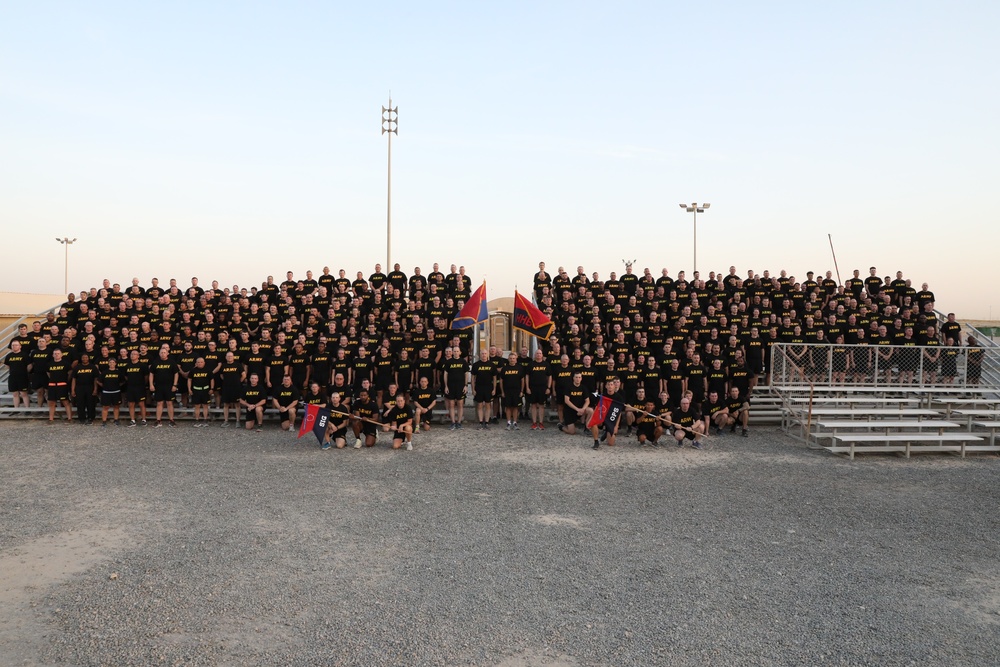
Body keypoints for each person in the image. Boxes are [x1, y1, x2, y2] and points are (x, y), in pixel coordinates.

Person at [591, 376, 625, 449]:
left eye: (611, 385)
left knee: (611, 443)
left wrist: (616, 426)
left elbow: (618, 413)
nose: (610, 386)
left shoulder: (618, 397)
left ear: (614, 386)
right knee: (593, 423)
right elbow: (596, 409)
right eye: (608, 385)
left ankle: (607, 432)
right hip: (602, 416)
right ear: (606, 386)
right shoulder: (601, 396)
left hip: (611, 418)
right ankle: (596, 441)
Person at [149, 347, 180, 428]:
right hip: (158, 386)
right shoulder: (155, 362)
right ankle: (158, 420)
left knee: (169, 403)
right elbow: (151, 374)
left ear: (167, 353)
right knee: (159, 403)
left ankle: (171, 420)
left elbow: (176, 374)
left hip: (169, 386)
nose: (163, 354)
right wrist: (151, 384)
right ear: (159, 354)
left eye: (164, 352)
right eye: (161, 352)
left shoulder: (172, 362)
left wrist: (175, 385)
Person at [558, 371, 592, 436]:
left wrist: (583, 409)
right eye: (576, 377)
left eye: (579, 377)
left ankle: (587, 428)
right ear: (573, 378)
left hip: (580, 410)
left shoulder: (583, 388)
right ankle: (561, 427)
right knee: (572, 432)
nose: (578, 379)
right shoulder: (568, 387)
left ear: (581, 378)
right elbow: (566, 401)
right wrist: (577, 409)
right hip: (570, 411)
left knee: (590, 410)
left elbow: (587, 401)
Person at [442, 346, 468, 430]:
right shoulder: (449, 362)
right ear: (452, 352)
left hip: (460, 386)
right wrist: (446, 386)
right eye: (454, 351)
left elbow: (466, 374)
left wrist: (466, 385)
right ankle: (453, 422)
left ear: (460, 352)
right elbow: (445, 374)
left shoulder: (463, 362)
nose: (456, 352)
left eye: (457, 351)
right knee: (451, 404)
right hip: (451, 386)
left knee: (460, 404)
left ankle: (459, 422)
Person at [525, 348, 551, 430]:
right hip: (532, 387)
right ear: (535, 355)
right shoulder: (531, 364)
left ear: (542, 355)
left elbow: (549, 376)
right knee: (533, 405)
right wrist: (527, 387)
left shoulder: (546, 364)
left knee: (541, 405)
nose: (538, 355)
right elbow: (527, 376)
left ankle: (541, 422)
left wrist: (548, 387)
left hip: (543, 388)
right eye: (537, 353)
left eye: (540, 353)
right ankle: (534, 422)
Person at [471, 349, 497, 429]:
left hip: (488, 387)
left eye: (485, 353)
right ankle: (480, 422)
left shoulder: (492, 365)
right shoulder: (476, 365)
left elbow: (494, 378)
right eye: (482, 353)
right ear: (480, 355)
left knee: (488, 405)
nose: (484, 355)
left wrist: (494, 389)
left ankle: (487, 422)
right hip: (479, 387)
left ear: (487, 354)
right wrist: (473, 389)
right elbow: (472, 378)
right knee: (479, 405)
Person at [122, 349, 149, 427]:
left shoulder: (142, 365)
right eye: (131, 354)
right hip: (130, 387)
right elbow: (126, 376)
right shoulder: (127, 366)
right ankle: (132, 420)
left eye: (134, 354)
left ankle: (144, 420)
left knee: (141, 404)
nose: (132, 355)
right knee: (131, 404)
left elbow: (146, 377)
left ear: (138, 356)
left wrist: (143, 384)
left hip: (140, 387)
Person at [499, 352, 525, 430]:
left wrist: (521, 391)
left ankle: (515, 422)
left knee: (516, 407)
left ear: (516, 359)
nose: (512, 360)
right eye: (510, 358)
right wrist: (502, 391)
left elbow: (522, 380)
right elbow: (501, 381)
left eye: (513, 358)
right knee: (508, 407)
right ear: (508, 359)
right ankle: (508, 422)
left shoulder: (520, 368)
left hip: (517, 391)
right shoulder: (505, 368)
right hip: (507, 391)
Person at [46, 348, 73, 422]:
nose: (56, 355)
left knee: (65, 402)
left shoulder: (66, 364)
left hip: (62, 385)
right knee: (52, 402)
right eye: (55, 353)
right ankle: (51, 419)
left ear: (61, 355)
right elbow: (48, 374)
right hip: (52, 385)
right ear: (52, 355)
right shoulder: (49, 364)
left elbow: (70, 373)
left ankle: (69, 418)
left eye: (58, 353)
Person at [71, 352, 98, 424]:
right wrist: (73, 390)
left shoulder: (93, 367)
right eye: (83, 357)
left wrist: (95, 389)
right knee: (80, 404)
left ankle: (90, 418)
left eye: (86, 357)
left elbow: (96, 379)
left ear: (88, 358)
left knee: (91, 403)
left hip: (90, 387)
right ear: (81, 358)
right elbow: (74, 379)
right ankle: (82, 418)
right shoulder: (77, 368)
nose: (84, 359)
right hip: (79, 387)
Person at [3, 340, 31, 410]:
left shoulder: (24, 355)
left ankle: (27, 409)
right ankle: (16, 409)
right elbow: (7, 366)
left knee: (23, 394)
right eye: (13, 345)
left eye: (16, 345)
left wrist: (24, 372)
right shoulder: (9, 356)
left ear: (20, 346)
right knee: (15, 394)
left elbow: (29, 366)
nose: (14, 346)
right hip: (12, 377)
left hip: (22, 377)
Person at [189, 357, 214, 427]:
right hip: (196, 390)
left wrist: (212, 388)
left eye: (201, 362)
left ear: (204, 363)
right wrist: (189, 389)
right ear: (196, 363)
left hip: (205, 390)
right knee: (197, 406)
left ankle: (205, 420)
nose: (200, 363)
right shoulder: (193, 370)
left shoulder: (208, 370)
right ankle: (197, 420)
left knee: (205, 405)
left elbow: (212, 380)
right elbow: (189, 380)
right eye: (198, 362)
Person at [97, 357, 124, 426]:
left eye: (113, 362)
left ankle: (116, 419)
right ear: (108, 364)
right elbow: (98, 381)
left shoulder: (118, 372)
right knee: (105, 407)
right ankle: (104, 421)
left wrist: (116, 386)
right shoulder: (105, 372)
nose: (111, 364)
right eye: (110, 362)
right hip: (106, 392)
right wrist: (104, 386)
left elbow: (122, 381)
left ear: (115, 364)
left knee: (116, 406)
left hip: (116, 392)